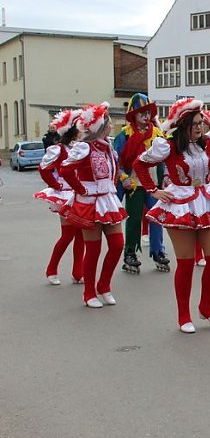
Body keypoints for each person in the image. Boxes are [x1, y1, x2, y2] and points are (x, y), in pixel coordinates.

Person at [133, 99, 210, 333]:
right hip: (179, 203)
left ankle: (206, 306)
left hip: (205, 201)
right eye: (194, 124)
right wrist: (153, 190)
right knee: (185, 264)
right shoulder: (168, 146)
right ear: (183, 125)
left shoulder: (209, 142)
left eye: (201, 123)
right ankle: (184, 315)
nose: (199, 128)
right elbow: (139, 164)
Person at [58, 102, 128, 308]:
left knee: (117, 245)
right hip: (89, 202)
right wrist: (81, 189)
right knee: (93, 249)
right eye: (108, 123)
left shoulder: (108, 147)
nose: (111, 126)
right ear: (100, 127)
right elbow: (65, 170)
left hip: (108, 200)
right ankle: (89, 293)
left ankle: (104, 285)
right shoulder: (84, 147)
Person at [113, 93, 170, 273]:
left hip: (154, 185)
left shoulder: (157, 134)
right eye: (142, 113)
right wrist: (123, 177)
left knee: (156, 218)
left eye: (148, 113)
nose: (146, 116)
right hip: (134, 186)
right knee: (134, 220)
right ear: (133, 115)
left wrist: (166, 177)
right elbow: (115, 161)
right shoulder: (124, 135)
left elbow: (166, 159)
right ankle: (130, 253)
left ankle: (158, 251)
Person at [34, 109, 85, 285]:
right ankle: (51, 269)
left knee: (82, 235)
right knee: (68, 235)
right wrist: (56, 185)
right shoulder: (59, 149)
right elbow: (43, 168)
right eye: (80, 128)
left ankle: (78, 272)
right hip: (66, 195)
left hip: (80, 192)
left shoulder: (81, 147)